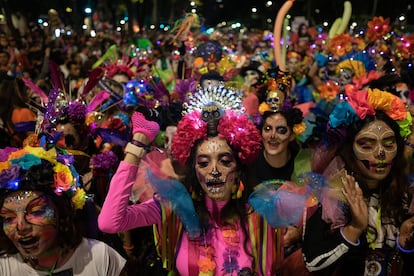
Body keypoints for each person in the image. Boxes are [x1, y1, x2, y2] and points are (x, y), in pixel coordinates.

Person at [98, 84, 294, 275]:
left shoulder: (259, 213)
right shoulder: (173, 208)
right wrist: (137, 144)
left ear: (238, 168)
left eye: (225, 161)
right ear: (193, 169)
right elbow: (109, 222)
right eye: (203, 163)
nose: (214, 171)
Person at [301, 88, 414, 275]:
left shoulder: (406, 193)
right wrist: (354, 228)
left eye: (388, 144)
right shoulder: (328, 195)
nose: (380, 153)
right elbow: (311, 262)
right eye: (367, 145)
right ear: (349, 150)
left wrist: (405, 244)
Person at [0, 146, 127, 275]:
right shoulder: (3, 268)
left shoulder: (100, 257)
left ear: (60, 211)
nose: (21, 227)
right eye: (9, 218)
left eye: (36, 211)